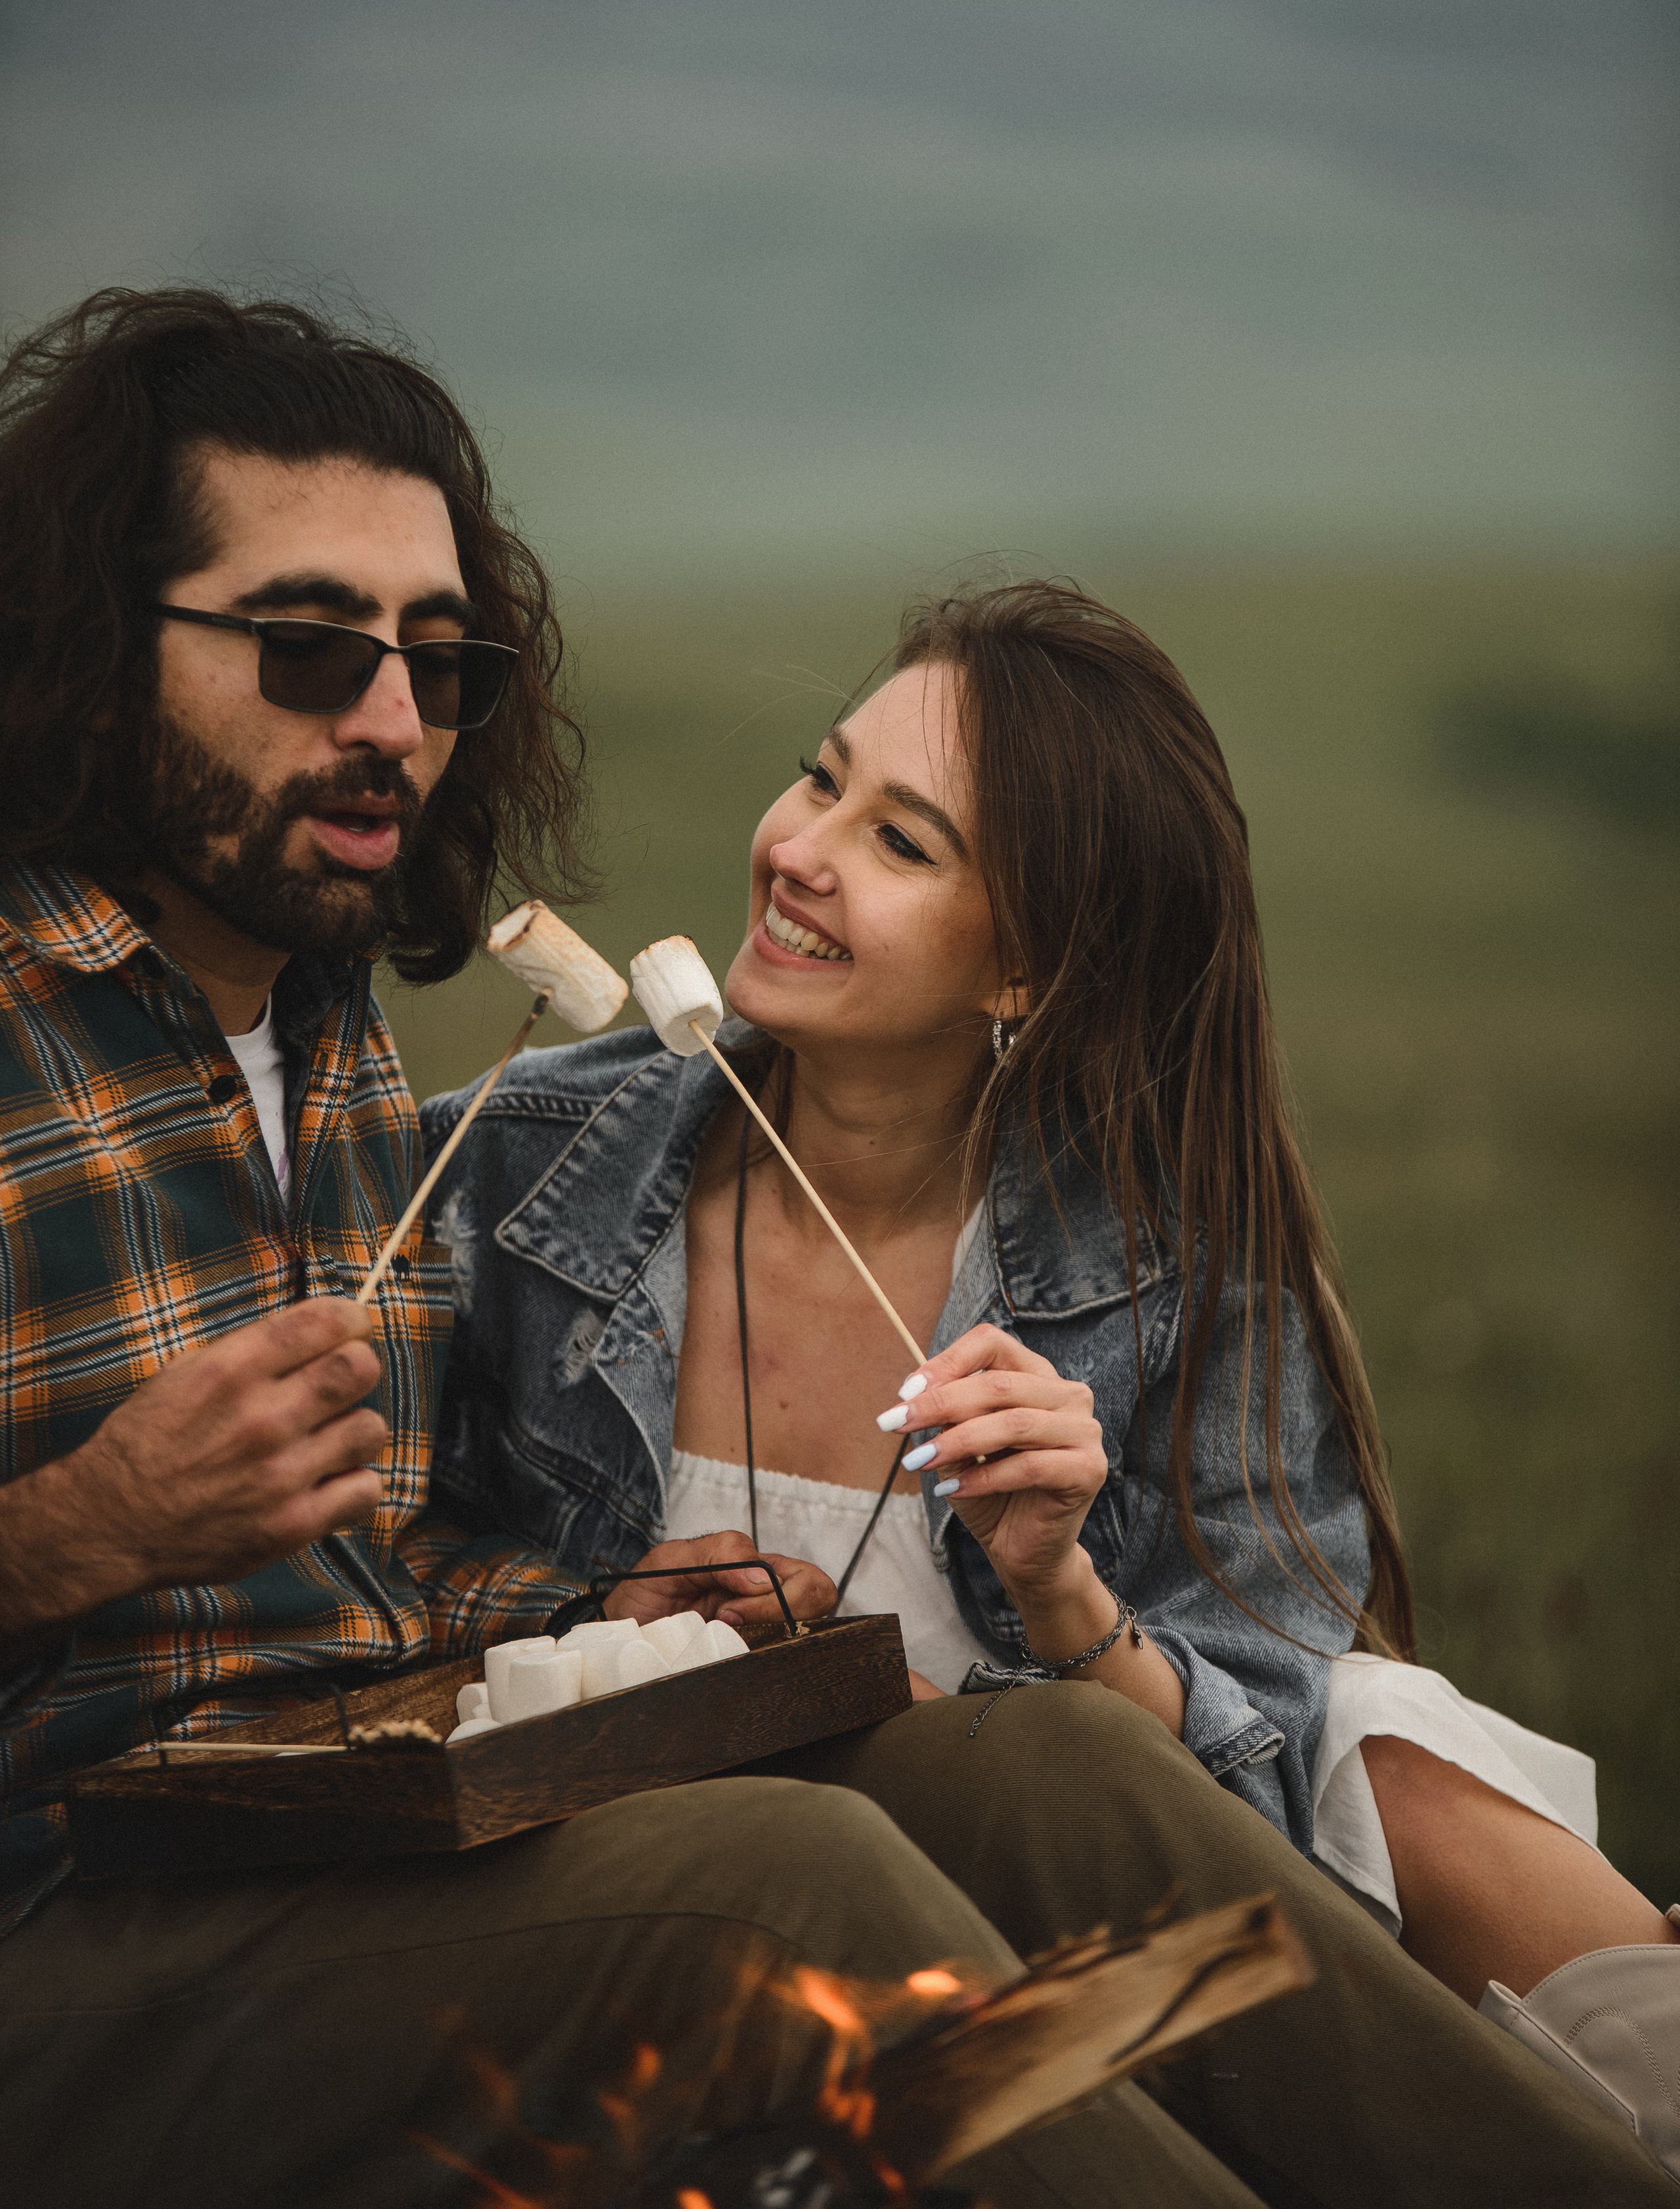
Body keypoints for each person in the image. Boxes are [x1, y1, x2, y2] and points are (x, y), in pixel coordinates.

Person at [0, 295, 1277, 2209]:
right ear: (100, 650)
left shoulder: (329, 1019)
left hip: (364, 1824)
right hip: (76, 1921)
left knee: (1038, 1775)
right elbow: (148, 1570)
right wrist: (86, 1524)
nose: (387, 726)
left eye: (435, 663)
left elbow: (373, 1584)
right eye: (304, 645)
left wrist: (591, 1612)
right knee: (790, 1880)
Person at [425, 579, 1678, 2196]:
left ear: (1023, 970)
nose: (800, 851)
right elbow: (369, 1591)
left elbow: (1242, 1815)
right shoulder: (522, 1164)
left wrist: (1058, 1587)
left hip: (1069, 1939)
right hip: (693, 1927)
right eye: (821, 779)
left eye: (902, 842)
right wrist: (597, 1613)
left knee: (1379, 1740)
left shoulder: (1181, 1273)